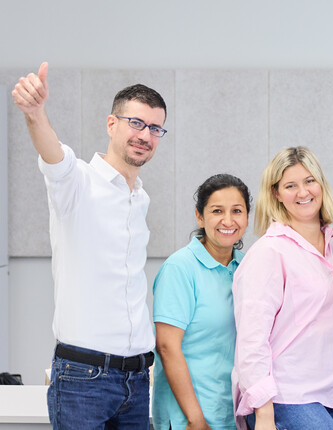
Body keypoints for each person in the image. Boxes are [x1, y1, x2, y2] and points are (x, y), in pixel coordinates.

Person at [12, 62, 166, 428]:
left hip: (137, 378)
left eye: (155, 128)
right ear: (111, 124)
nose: (145, 134)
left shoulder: (140, 198)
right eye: (136, 123)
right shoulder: (77, 181)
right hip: (84, 377)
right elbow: (54, 154)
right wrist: (35, 113)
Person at [232, 147, 333, 429]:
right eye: (290, 185)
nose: (303, 192)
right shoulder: (269, 253)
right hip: (287, 396)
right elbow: (252, 340)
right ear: (277, 193)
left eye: (309, 181)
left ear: (321, 184)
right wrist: (264, 413)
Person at [152, 174, 251, 430]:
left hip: (234, 415)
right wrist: (195, 419)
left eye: (237, 211)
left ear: (247, 217)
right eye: (217, 211)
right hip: (190, 418)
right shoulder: (180, 268)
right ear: (200, 216)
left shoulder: (249, 267)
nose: (228, 220)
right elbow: (166, 347)